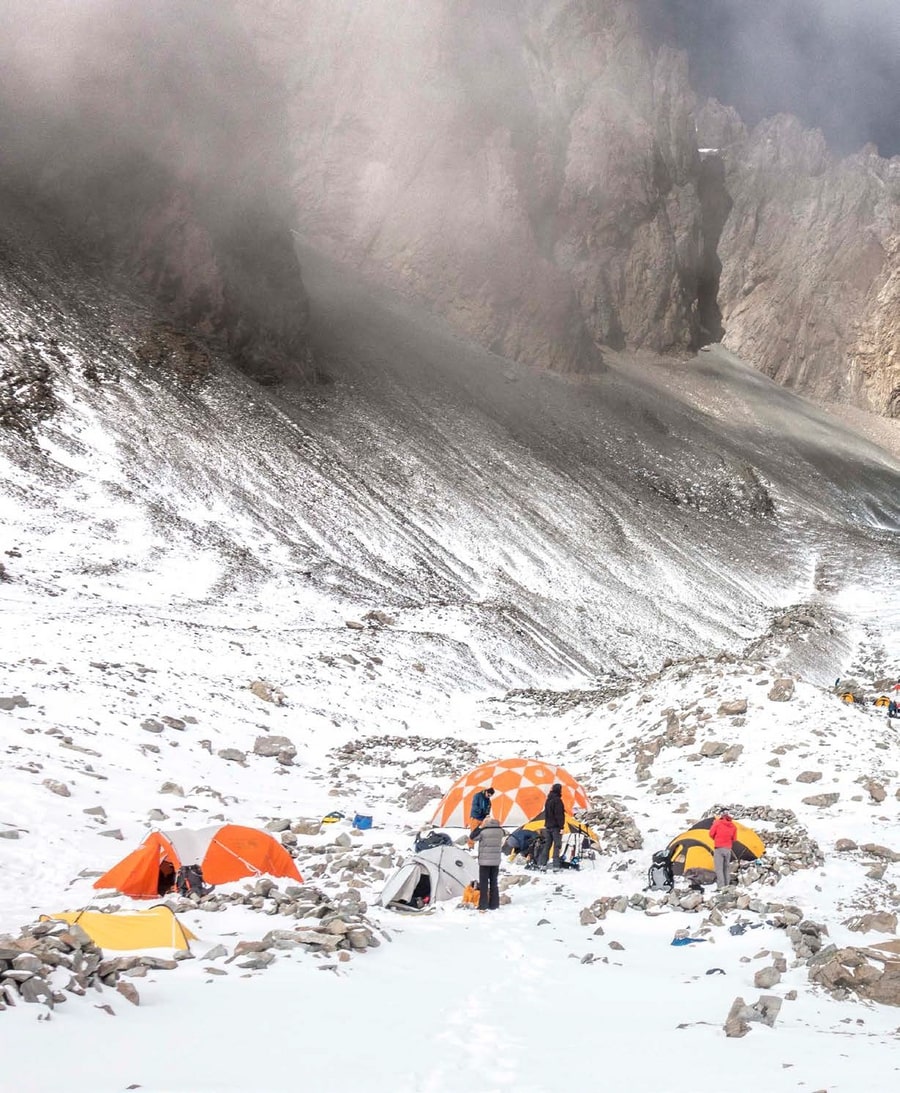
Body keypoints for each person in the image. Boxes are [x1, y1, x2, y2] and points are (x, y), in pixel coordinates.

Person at [471, 816, 504, 911]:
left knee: (484, 884)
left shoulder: (483, 831)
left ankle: (483, 904)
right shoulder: (500, 831)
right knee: (494, 882)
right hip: (496, 861)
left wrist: (479, 827)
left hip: (484, 861)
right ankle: (494, 904)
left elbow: (472, 837)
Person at [539, 783, 566, 870]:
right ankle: (556, 865)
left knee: (547, 846)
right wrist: (561, 826)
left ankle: (543, 864)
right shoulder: (558, 800)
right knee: (557, 846)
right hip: (556, 827)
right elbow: (559, 815)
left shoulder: (548, 800)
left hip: (548, 826)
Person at [709, 810, 737, 889]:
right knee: (726, 868)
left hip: (719, 848)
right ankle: (727, 886)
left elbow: (711, 834)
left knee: (719, 869)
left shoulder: (717, 823)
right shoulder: (733, 826)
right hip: (728, 849)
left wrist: (716, 838)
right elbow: (734, 839)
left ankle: (721, 887)